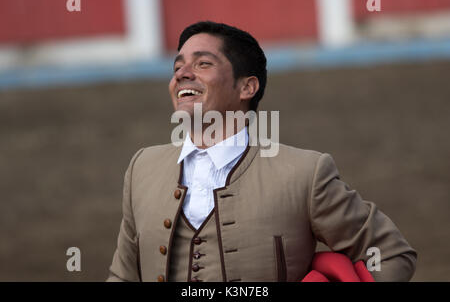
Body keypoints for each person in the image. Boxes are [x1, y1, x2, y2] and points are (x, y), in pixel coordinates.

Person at [107, 21, 416, 282]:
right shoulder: (142, 169)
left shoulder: (303, 174)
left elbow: (390, 252)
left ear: (247, 88)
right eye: (177, 66)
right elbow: (122, 276)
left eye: (202, 64)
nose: (182, 74)